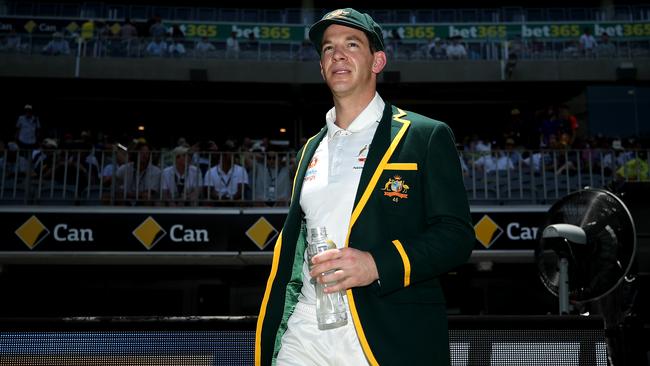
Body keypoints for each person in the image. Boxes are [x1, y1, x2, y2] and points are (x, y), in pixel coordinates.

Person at [255, 8, 475, 366]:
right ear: (321, 67)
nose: (337, 54)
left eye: (351, 44)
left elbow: (456, 236)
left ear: (378, 61)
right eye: (328, 49)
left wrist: (377, 264)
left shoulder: (423, 134)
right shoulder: (312, 147)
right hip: (309, 322)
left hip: (382, 329)